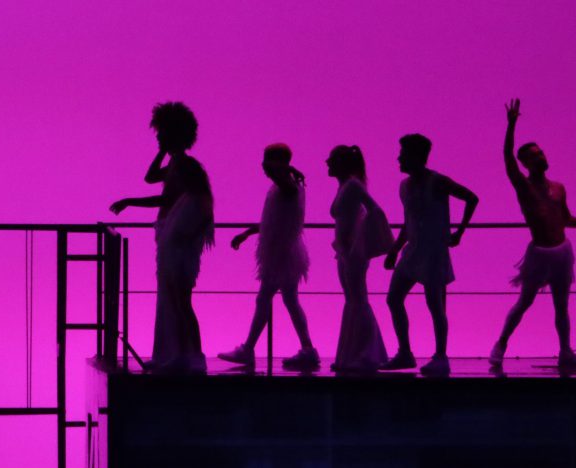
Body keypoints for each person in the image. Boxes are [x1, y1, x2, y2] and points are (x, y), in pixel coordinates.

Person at [490, 98, 576, 371]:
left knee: (562, 306)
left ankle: (565, 351)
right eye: (536, 155)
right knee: (525, 301)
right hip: (539, 254)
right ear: (527, 163)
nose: (542, 156)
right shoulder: (524, 188)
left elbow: (564, 219)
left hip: (561, 252)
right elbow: (507, 160)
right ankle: (501, 344)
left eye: (542, 152)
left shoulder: (559, 188)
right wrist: (511, 125)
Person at [110, 101, 214, 374]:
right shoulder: (177, 162)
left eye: (161, 133)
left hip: (178, 242)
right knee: (172, 298)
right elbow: (150, 177)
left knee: (180, 298)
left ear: (172, 134)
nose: (157, 136)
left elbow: (167, 197)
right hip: (170, 238)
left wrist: (130, 201)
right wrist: (161, 152)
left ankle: (190, 354)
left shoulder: (185, 165)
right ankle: (176, 352)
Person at [382, 134, 479, 376]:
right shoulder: (404, 186)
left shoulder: (437, 181)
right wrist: (395, 249)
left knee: (435, 306)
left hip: (434, 251)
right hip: (413, 250)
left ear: (417, 156)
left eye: (403, 153)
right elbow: (409, 221)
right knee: (393, 298)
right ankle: (405, 352)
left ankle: (440, 355)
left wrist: (459, 232)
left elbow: (471, 198)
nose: (399, 158)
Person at [218, 143, 319, 371]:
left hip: (282, 253)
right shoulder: (284, 186)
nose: (263, 167)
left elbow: (281, 183)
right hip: (282, 251)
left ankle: (249, 349)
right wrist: (247, 233)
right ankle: (306, 349)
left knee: (266, 299)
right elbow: (272, 221)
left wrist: (284, 167)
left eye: (266, 161)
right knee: (288, 300)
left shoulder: (289, 187)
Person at [326, 144, 389, 373]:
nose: (327, 163)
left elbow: (375, 210)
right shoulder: (344, 185)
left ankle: (366, 354)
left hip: (352, 253)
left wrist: (360, 241)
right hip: (344, 251)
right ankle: (351, 354)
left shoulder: (352, 185)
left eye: (331, 159)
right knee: (352, 300)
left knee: (358, 299)